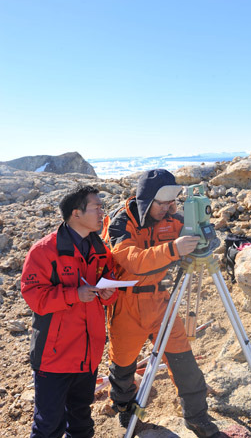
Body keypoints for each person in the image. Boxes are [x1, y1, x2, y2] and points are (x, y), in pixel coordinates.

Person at [103, 169, 221, 438]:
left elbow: (197, 232)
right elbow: (132, 260)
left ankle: (197, 416)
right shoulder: (122, 222)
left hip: (160, 300)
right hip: (127, 304)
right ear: (146, 200)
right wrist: (174, 250)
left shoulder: (173, 218)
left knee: (183, 359)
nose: (169, 209)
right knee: (122, 367)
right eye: (162, 203)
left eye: (172, 203)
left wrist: (204, 235)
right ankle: (126, 413)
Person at [21, 185, 118, 438]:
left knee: (81, 422)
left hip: (88, 354)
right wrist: (73, 295)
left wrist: (109, 293)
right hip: (55, 357)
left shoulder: (100, 250)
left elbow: (109, 279)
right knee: (48, 426)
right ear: (76, 213)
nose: (101, 213)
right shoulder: (44, 251)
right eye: (97, 207)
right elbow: (35, 298)